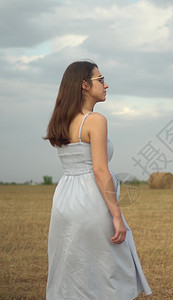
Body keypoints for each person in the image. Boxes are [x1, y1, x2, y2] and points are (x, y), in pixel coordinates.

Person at [44, 61, 152, 299]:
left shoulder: (61, 120)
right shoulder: (95, 120)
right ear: (84, 85)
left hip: (64, 201)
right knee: (109, 273)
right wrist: (116, 216)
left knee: (72, 272)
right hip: (92, 201)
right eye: (100, 80)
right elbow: (100, 171)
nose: (106, 85)